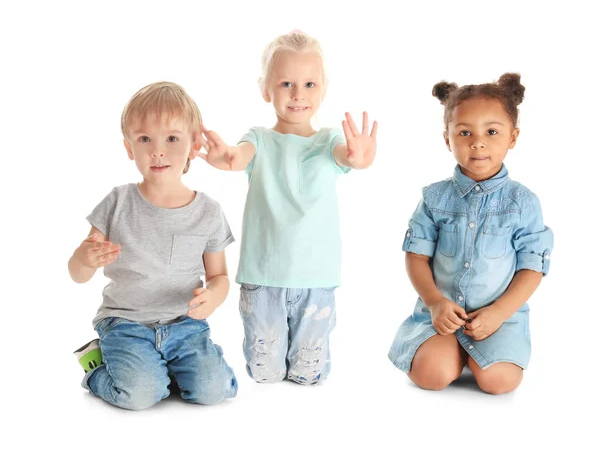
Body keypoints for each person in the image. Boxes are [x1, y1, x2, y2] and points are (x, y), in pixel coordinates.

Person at [199, 31, 378, 385]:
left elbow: (351, 158)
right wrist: (226, 158)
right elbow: (239, 157)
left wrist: (362, 156)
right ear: (266, 89)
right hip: (264, 276)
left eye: (310, 84)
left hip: (317, 278)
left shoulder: (329, 141)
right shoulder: (259, 139)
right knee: (265, 373)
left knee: (309, 373)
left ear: (323, 88)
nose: (298, 94)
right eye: (286, 83)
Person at [69, 81, 238, 409]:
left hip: (185, 324)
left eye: (172, 138)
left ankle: (166, 368)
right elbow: (77, 273)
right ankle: (98, 370)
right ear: (129, 148)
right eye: (145, 139)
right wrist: (84, 259)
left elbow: (219, 276)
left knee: (214, 391)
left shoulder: (208, 211)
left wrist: (214, 297)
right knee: (140, 396)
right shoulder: (117, 202)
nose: (157, 151)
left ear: (193, 146)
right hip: (126, 323)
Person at [388, 73, 553, 395]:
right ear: (448, 139)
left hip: (499, 317)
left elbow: (532, 266)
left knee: (499, 383)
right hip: (441, 316)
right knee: (430, 376)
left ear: (513, 137)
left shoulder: (524, 202)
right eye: (465, 132)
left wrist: (499, 312)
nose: (478, 142)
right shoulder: (434, 198)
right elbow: (417, 255)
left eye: (492, 132)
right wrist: (435, 302)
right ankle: (450, 350)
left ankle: (483, 353)